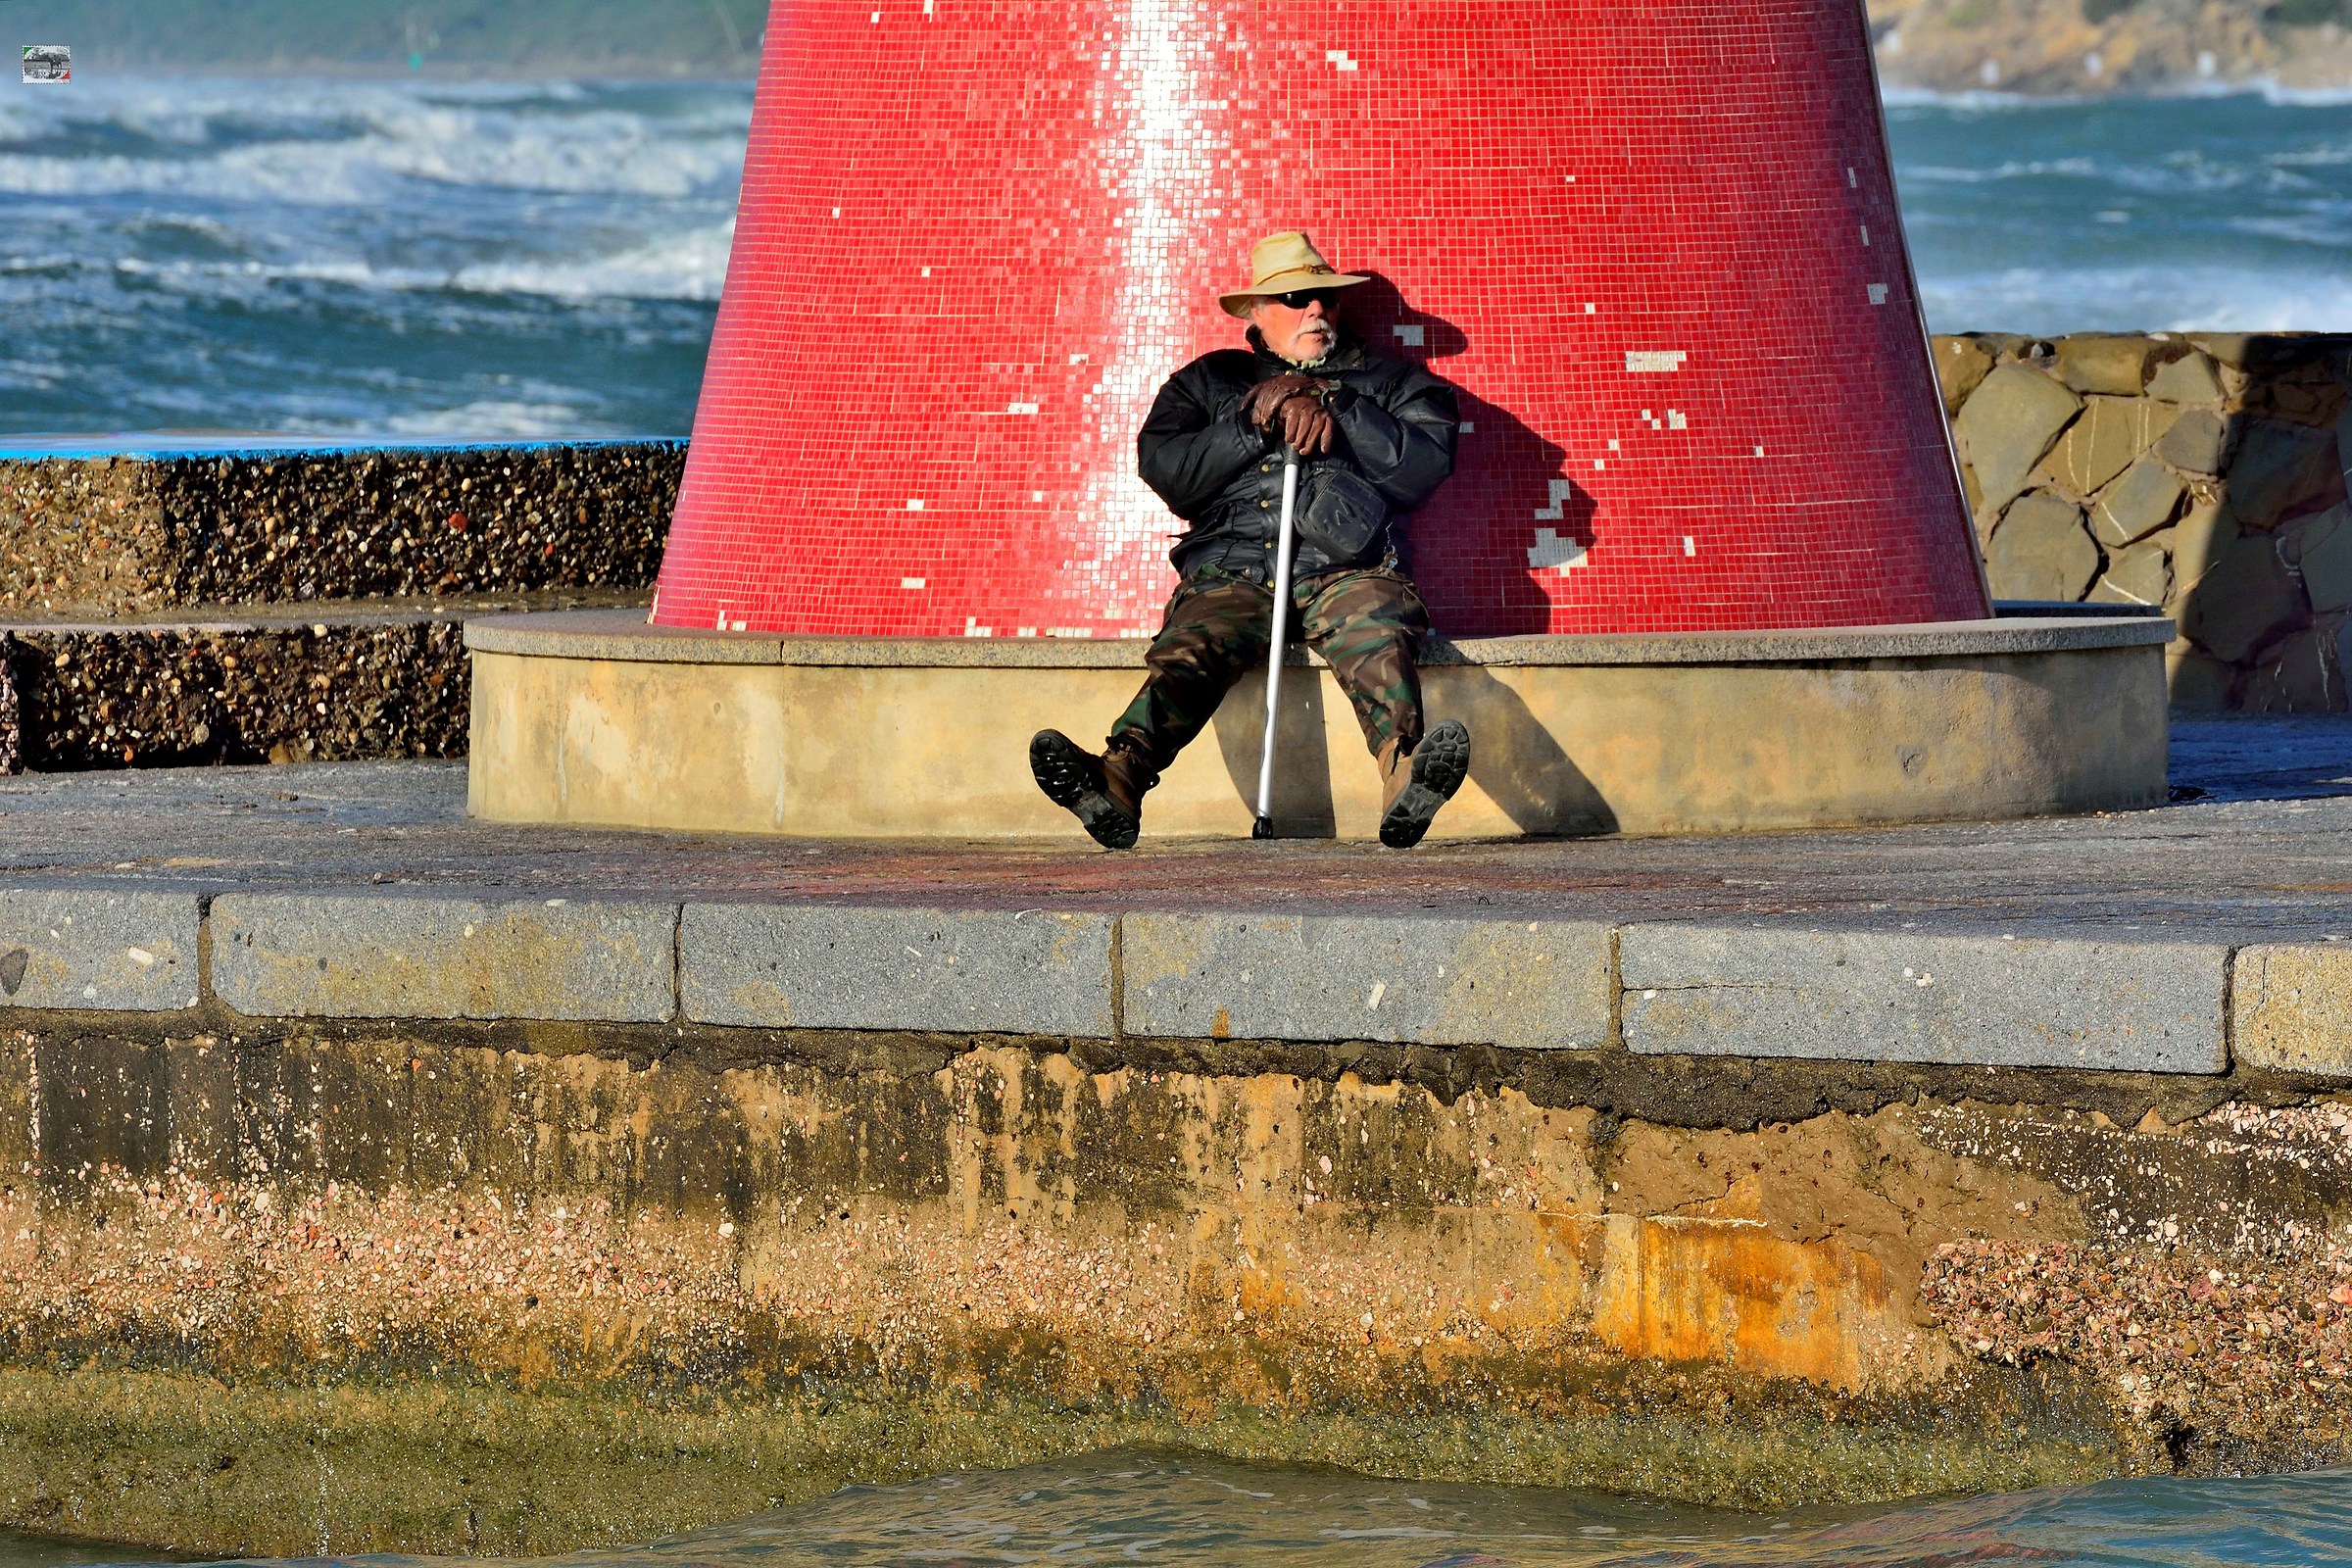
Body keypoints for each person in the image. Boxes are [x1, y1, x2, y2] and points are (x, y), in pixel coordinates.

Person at [1030, 230, 1470, 851]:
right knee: (1192, 645)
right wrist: (1249, 419)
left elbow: (1423, 465)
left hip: (1343, 565)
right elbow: (1169, 471)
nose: (1315, 310)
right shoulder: (1208, 382)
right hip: (1234, 568)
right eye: (1294, 298)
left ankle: (1404, 773)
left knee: (1376, 627)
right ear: (1256, 316)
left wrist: (1334, 402)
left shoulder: (1391, 384)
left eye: (1325, 297)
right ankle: (1119, 776)